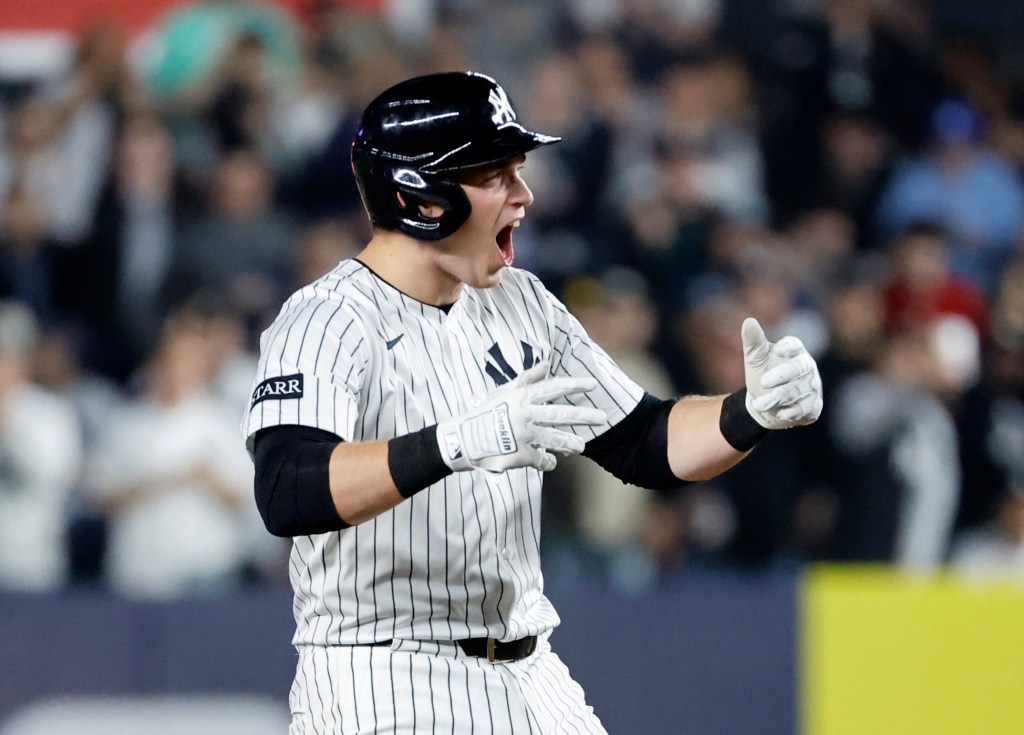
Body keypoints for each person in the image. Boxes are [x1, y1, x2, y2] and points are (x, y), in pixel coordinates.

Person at [243, 71, 823, 734]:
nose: (525, 194)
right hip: (387, 672)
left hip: (530, 668)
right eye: (496, 175)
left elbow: (645, 441)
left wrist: (750, 411)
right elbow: (288, 489)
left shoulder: (521, 303)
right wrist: (456, 441)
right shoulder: (326, 319)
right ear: (421, 198)